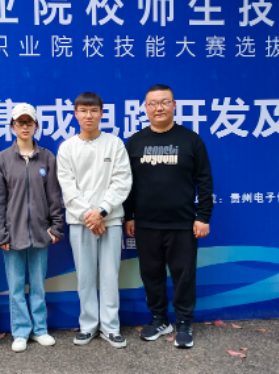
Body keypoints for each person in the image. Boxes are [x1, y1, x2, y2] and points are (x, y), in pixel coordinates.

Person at [124, 84, 214, 349]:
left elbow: (204, 180)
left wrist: (203, 216)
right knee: (151, 274)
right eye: (153, 103)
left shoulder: (191, 140)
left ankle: (184, 322)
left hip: (182, 224)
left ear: (174, 105)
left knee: (183, 276)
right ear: (145, 108)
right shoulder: (135, 142)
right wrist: (129, 216)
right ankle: (159, 319)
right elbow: (127, 183)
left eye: (164, 102)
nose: (159, 108)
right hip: (146, 224)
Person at [56, 92, 132, 349]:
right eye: (83, 110)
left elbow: (122, 181)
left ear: (101, 113)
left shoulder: (115, 144)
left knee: (110, 275)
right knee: (85, 276)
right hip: (80, 222)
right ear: (75, 114)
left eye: (93, 110)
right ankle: (88, 325)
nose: (88, 115)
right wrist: (91, 215)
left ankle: (111, 327)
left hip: (110, 219)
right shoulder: (67, 147)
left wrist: (102, 211)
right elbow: (68, 188)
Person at [0, 103, 64, 353]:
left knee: (39, 285)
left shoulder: (47, 158)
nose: (24, 127)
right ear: (12, 126)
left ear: (36, 126)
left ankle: (40, 329)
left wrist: (56, 226)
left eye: (29, 122)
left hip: (41, 233)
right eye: (20, 122)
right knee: (16, 286)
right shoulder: (2, 160)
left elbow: (54, 196)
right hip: (12, 234)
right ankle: (20, 331)